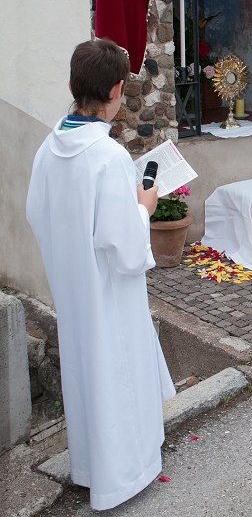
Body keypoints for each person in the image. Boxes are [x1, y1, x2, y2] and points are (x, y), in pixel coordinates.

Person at [26, 39, 175, 511]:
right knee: (118, 373)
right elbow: (128, 247)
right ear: (116, 90)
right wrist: (144, 207)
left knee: (87, 373)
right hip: (109, 290)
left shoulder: (49, 147)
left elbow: (36, 213)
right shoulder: (107, 157)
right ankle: (124, 474)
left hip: (73, 283)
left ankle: (92, 466)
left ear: (72, 86)